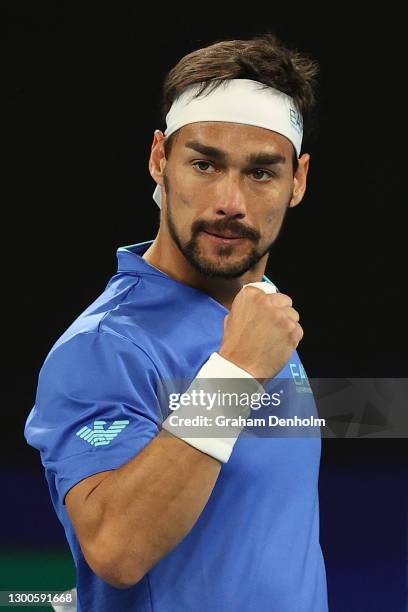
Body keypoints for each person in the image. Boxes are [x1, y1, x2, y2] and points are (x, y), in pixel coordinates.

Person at [24, 32, 328, 611]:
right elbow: (116, 550)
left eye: (261, 172)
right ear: (159, 160)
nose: (230, 202)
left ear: (299, 181)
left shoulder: (262, 309)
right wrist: (234, 375)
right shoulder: (105, 347)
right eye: (205, 164)